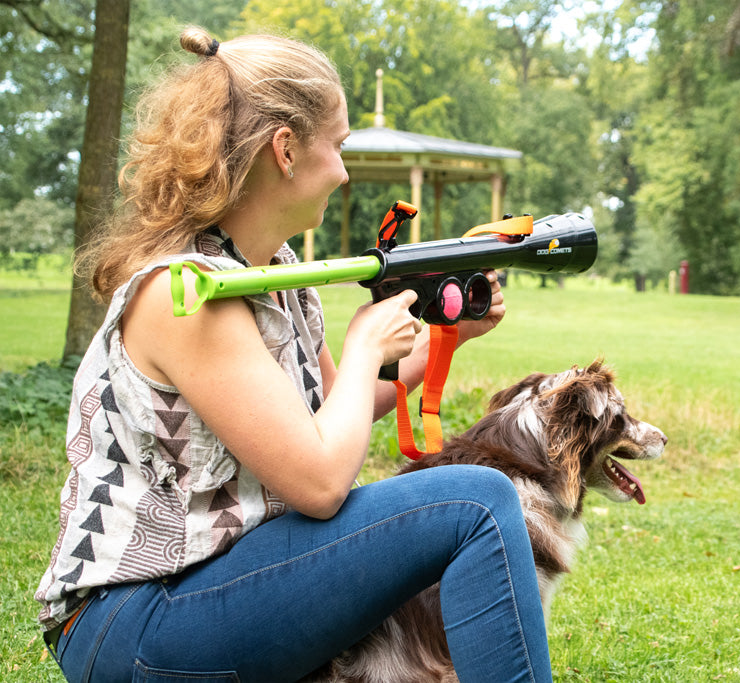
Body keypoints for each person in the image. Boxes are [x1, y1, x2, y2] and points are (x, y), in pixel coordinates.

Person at [35, 27, 552, 683]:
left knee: (473, 505)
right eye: (336, 145)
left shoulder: (274, 272)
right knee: (478, 505)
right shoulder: (188, 293)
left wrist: (452, 337)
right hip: (134, 617)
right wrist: (365, 342)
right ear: (286, 150)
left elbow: (341, 410)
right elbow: (319, 482)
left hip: (213, 580)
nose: (342, 168)